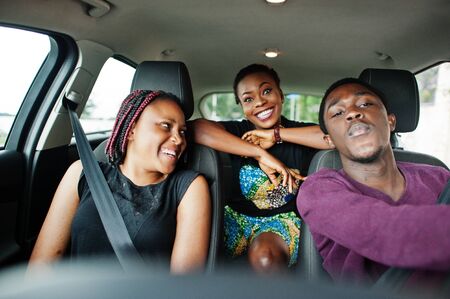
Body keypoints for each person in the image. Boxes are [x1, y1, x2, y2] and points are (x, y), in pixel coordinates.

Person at [29, 90, 211, 274]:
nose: (179, 139)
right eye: (165, 126)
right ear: (131, 130)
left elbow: (183, 286)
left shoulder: (188, 187)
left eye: (182, 132)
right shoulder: (82, 173)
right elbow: (42, 267)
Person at [297, 78, 450, 286]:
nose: (352, 113)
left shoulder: (439, 177)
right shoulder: (318, 190)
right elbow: (390, 232)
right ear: (329, 140)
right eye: (338, 113)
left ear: (390, 121)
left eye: (365, 104)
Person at [192, 64, 329, 272]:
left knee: (265, 257)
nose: (260, 102)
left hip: (281, 222)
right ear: (241, 106)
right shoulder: (237, 132)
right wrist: (259, 153)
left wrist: (276, 135)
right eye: (248, 99)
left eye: (267, 91)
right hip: (233, 218)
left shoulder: (298, 133)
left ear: (281, 95)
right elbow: (196, 128)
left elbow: (335, 137)